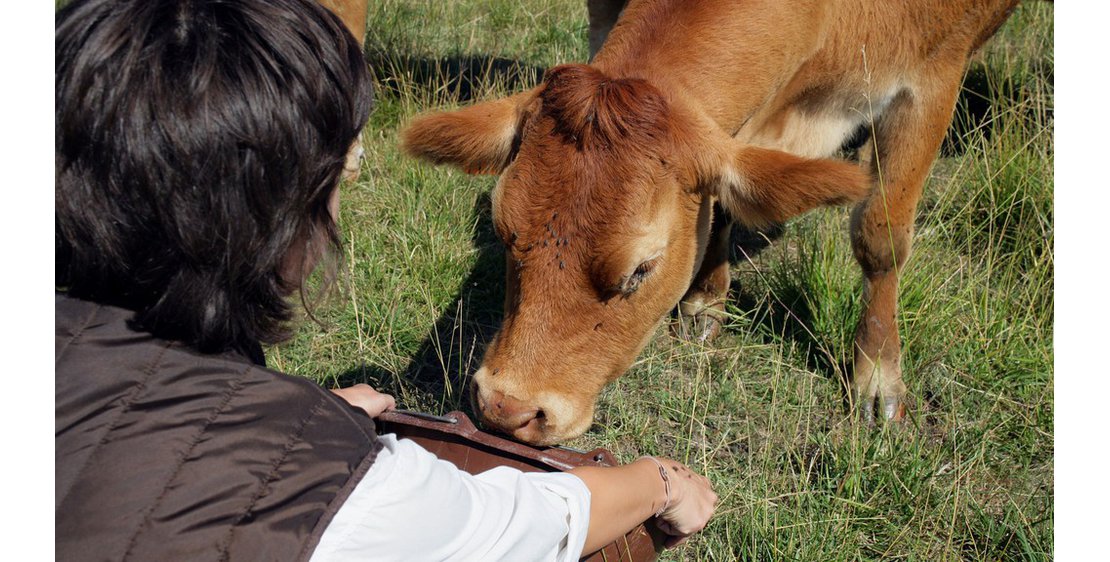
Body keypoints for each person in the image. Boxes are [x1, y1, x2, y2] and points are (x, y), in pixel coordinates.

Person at [54, 0, 718, 560]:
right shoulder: (331, 494)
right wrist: (659, 483)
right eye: (339, 176)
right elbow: (525, 523)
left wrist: (302, 418)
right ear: (282, 221)